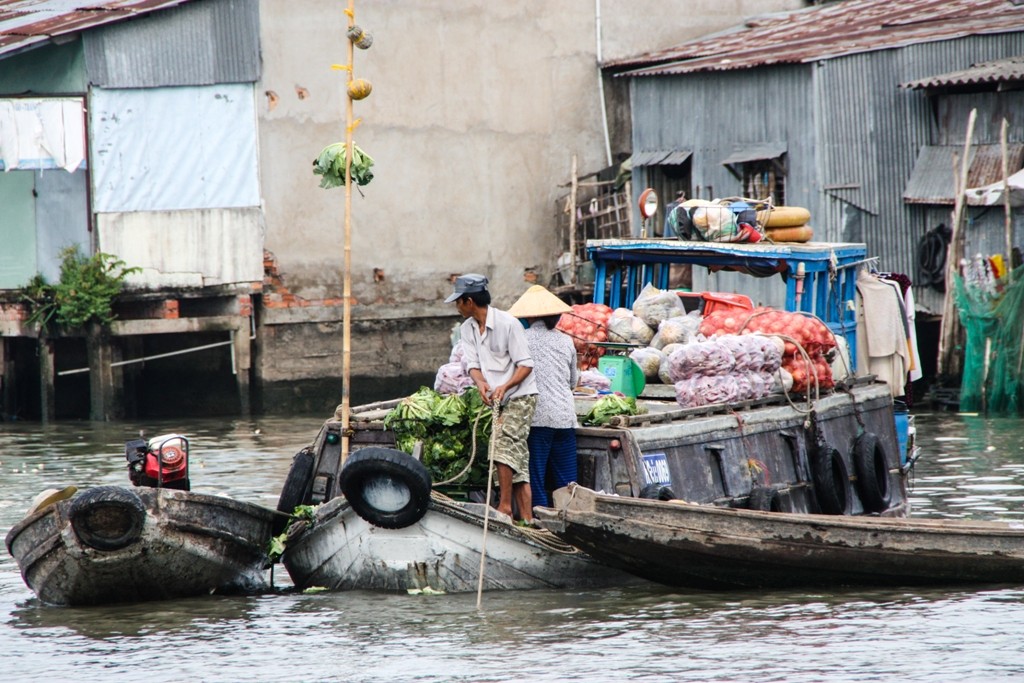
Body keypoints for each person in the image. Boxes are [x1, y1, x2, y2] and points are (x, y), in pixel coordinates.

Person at [445, 273, 538, 523]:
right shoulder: (467, 329)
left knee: (501, 446)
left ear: (469, 301)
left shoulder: (509, 324)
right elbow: (473, 365)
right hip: (498, 398)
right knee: (517, 459)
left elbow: (526, 365)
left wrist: (505, 386)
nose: (456, 307)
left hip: (521, 395)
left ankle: (504, 507)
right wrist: (481, 383)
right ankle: (527, 519)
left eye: (458, 301)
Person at [507, 285, 578, 509]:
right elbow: (573, 382)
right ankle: (570, 516)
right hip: (565, 417)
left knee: (535, 476)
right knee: (567, 480)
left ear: (529, 317)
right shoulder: (566, 341)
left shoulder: (521, 339)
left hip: (537, 417)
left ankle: (539, 517)